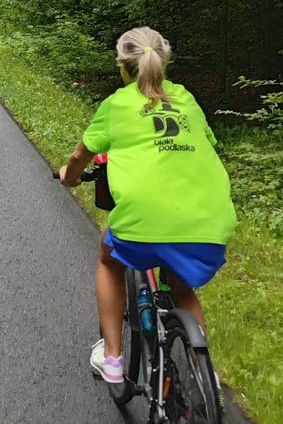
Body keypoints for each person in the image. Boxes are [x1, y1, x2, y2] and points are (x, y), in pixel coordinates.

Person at [58, 26, 235, 385]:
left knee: (109, 261)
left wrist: (70, 176)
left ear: (123, 68)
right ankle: (205, 373)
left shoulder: (117, 104)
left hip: (143, 225)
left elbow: (81, 155)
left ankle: (111, 358)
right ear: (163, 64)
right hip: (210, 223)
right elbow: (205, 143)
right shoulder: (185, 98)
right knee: (181, 287)